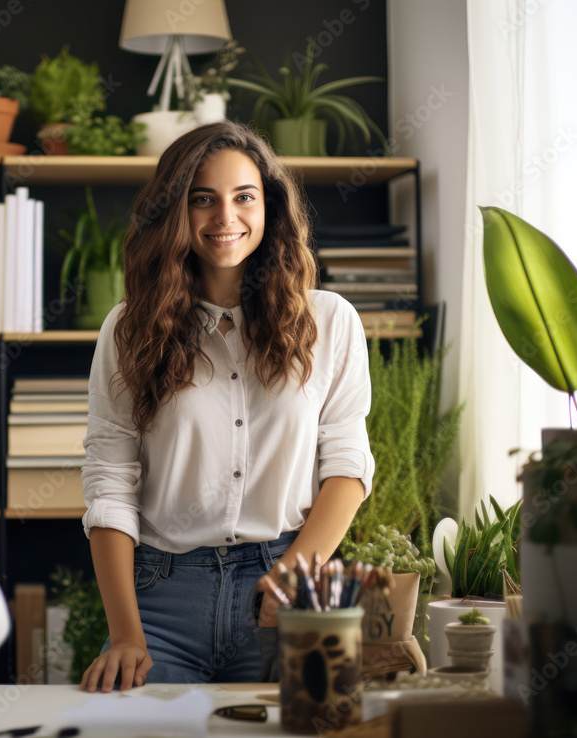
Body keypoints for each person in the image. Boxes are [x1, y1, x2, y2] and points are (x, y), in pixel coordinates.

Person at [79, 120, 375, 692]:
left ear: (270, 206)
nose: (225, 218)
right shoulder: (128, 329)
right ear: (175, 212)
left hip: (287, 585)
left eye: (244, 197)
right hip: (161, 602)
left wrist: (293, 574)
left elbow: (347, 464)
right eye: (202, 200)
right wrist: (126, 637)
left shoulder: (330, 321)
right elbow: (110, 484)